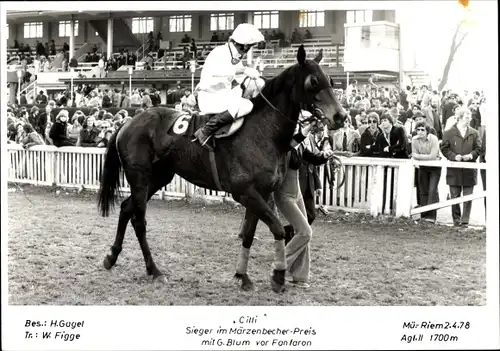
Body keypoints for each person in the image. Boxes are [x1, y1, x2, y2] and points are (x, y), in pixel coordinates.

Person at [274, 116, 334, 288]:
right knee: (305, 232)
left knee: (304, 235)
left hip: (297, 193)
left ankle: (299, 277)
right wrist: (305, 130)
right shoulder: (283, 142)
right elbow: (291, 144)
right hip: (284, 195)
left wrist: (325, 156)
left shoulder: (299, 145)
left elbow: (313, 158)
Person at [193, 23, 265, 150]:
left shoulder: (234, 55)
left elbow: (239, 77)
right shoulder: (219, 52)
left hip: (223, 93)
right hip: (210, 95)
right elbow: (218, 73)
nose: (248, 50)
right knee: (245, 105)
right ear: (243, 45)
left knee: (258, 85)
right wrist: (244, 71)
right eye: (249, 47)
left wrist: (252, 77)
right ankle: (205, 131)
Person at [440, 107, 481, 228]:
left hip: (469, 169)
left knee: (468, 195)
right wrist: (453, 156)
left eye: (470, 117)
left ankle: (465, 221)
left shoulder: (474, 133)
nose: (470, 119)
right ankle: (456, 220)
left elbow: (478, 148)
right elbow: (444, 148)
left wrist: (471, 155)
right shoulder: (449, 132)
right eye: (467, 117)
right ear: (460, 118)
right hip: (454, 169)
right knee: (454, 195)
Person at [411, 121, 441, 223]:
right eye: (418, 130)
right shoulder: (414, 140)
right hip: (423, 167)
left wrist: (419, 157)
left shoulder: (434, 139)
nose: (420, 132)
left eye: (422, 130)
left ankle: (431, 217)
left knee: (432, 190)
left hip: (435, 167)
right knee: (423, 191)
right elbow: (413, 154)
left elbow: (433, 156)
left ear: (427, 131)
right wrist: (424, 158)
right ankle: (423, 215)